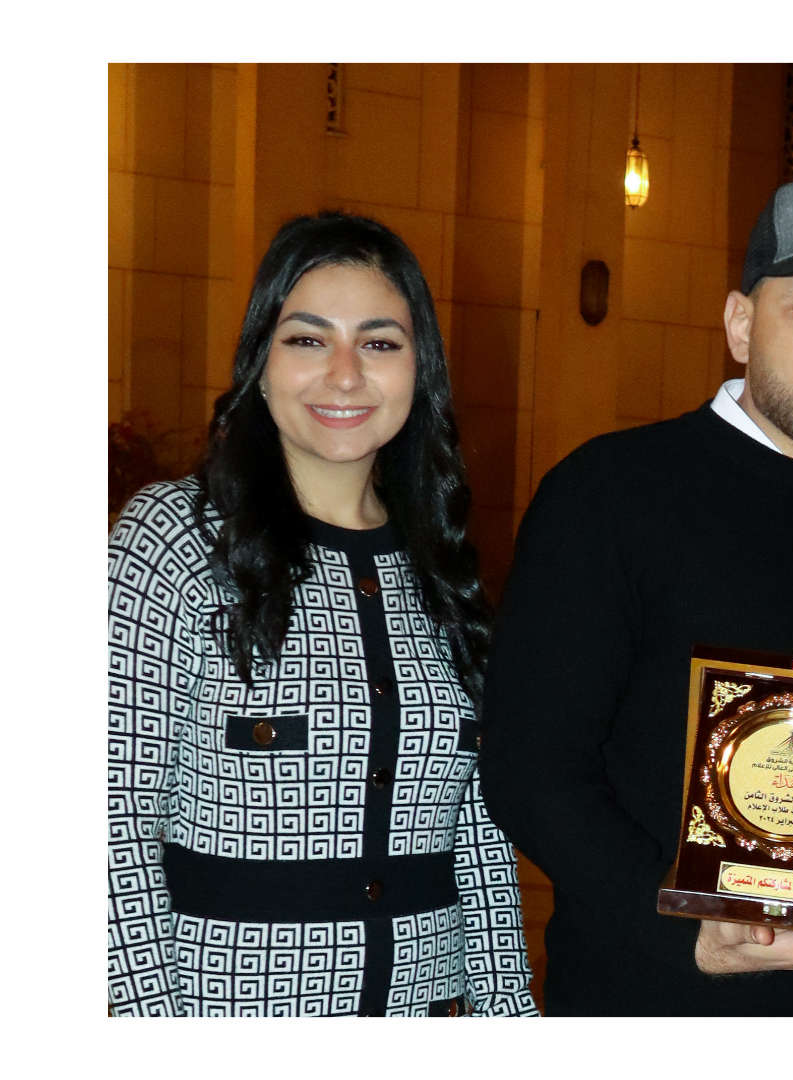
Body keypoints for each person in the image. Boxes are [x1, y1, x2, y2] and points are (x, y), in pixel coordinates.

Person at [480, 175, 793, 1016]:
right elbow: (531, 766)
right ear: (741, 324)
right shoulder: (608, 495)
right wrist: (680, 926)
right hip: (648, 998)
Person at [107, 211, 539, 1016]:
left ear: (420, 371)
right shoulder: (174, 539)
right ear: (259, 365)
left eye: (380, 343)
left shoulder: (441, 568)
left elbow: (477, 844)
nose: (345, 375)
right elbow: (107, 824)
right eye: (307, 340)